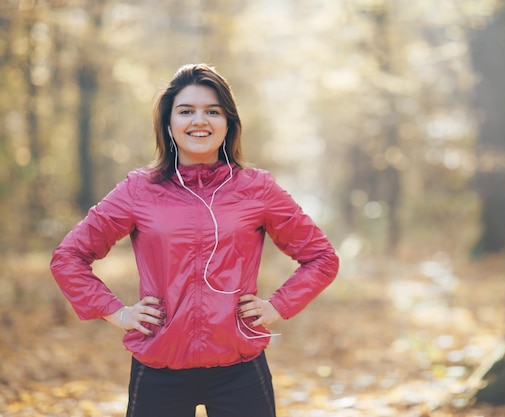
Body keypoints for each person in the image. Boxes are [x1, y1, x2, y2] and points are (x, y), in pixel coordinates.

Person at [50, 63, 339, 417]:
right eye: (186, 111)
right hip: (159, 368)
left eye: (212, 111)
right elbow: (69, 257)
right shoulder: (139, 190)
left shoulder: (257, 188)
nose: (199, 121)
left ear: (228, 122)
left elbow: (322, 257)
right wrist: (118, 313)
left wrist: (277, 306)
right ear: (169, 124)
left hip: (240, 369)